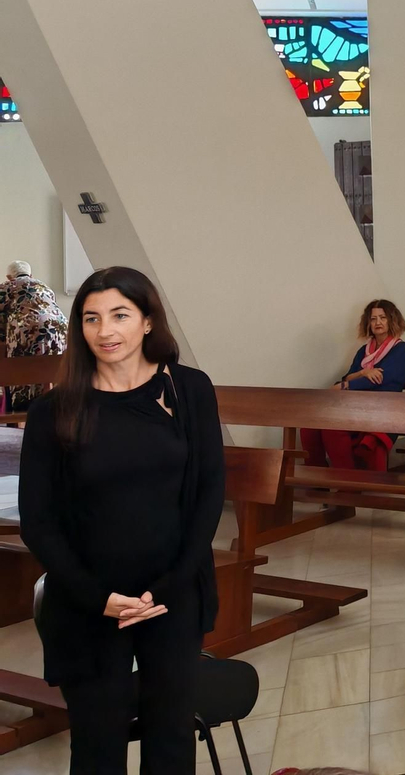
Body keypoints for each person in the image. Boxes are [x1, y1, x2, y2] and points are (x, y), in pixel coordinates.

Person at [19, 267, 224, 773]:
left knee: (172, 735)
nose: (105, 331)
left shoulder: (190, 391)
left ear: (148, 321)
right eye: (91, 318)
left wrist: (169, 587)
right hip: (89, 600)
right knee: (97, 743)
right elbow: (37, 520)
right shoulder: (55, 410)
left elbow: (208, 495)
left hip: (172, 594)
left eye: (119, 315)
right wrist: (100, 599)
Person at [298, 300, 405, 471]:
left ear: (392, 320)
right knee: (308, 426)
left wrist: (345, 386)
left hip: (382, 406)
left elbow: (380, 379)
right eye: (373, 319)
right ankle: (317, 475)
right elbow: (348, 376)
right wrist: (363, 373)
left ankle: (348, 480)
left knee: (332, 429)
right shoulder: (364, 350)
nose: (377, 322)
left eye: (383, 318)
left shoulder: (399, 348)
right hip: (357, 403)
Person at [2, 260, 68, 414]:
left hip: (28, 330)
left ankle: (25, 408)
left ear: (9, 276)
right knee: (50, 370)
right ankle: (55, 402)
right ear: (31, 275)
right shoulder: (44, 286)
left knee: (23, 369)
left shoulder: (6, 287)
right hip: (60, 330)